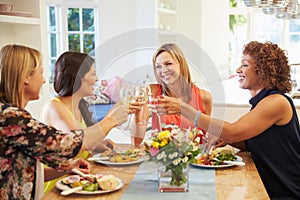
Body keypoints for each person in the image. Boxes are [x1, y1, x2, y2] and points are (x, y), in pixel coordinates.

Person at [150, 41, 300, 199]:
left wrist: (184, 109)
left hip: (286, 193)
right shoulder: (262, 102)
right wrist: (225, 139)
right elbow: (250, 142)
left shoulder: (276, 102)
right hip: (270, 188)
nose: (238, 70)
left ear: (263, 70)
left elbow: (234, 132)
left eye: (244, 65)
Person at [0, 44, 127, 200]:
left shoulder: (11, 115)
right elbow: (67, 145)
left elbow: (28, 173)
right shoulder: (10, 118)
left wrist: (66, 169)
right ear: (26, 76)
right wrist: (111, 120)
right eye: (41, 73)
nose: (44, 80)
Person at [41, 51, 128, 194]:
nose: (97, 79)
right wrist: (111, 119)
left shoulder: (81, 105)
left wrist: (99, 145)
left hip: (78, 181)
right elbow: (78, 144)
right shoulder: (54, 107)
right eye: (93, 74)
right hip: (59, 187)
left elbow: (86, 141)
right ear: (78, 77)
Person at [132, 43, 212, 145]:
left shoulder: (203, 97)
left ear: (181, 64)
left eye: (168, 64)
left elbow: (207, 138)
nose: (163, 70)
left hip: (194, 159)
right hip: (161, 158)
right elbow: (136, 141)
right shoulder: (152, 93)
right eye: (158, 67)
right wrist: (138, 112)